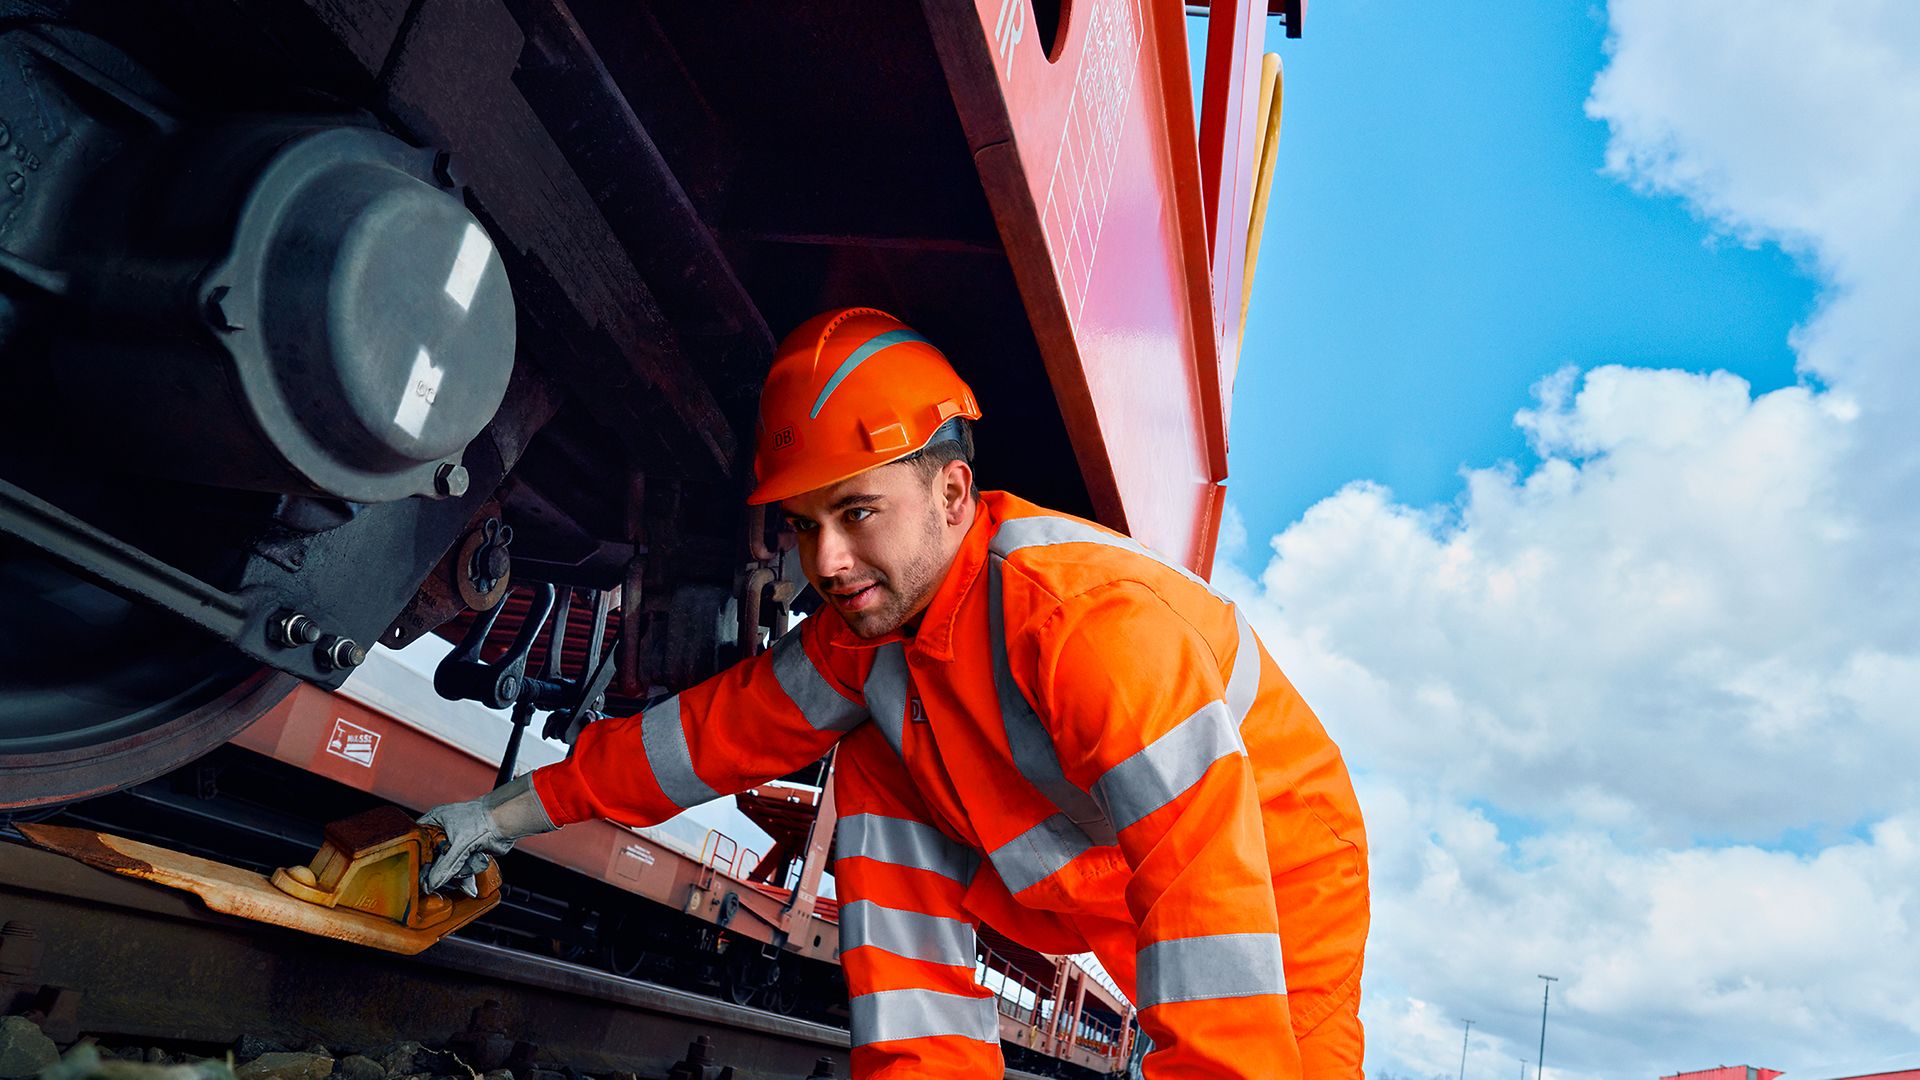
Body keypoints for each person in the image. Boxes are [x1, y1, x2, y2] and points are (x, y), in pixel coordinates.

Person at [419, 308, 1370, 1078]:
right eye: (802, 525)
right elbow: (706, 738)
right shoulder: (868, 646)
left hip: (1272, 880)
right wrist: (503, 816)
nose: (825, 562)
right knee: (877, 760)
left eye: (858, 511)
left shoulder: (1086, 626)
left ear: (955, 494)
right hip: (1102, 880)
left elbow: (1202, 871)